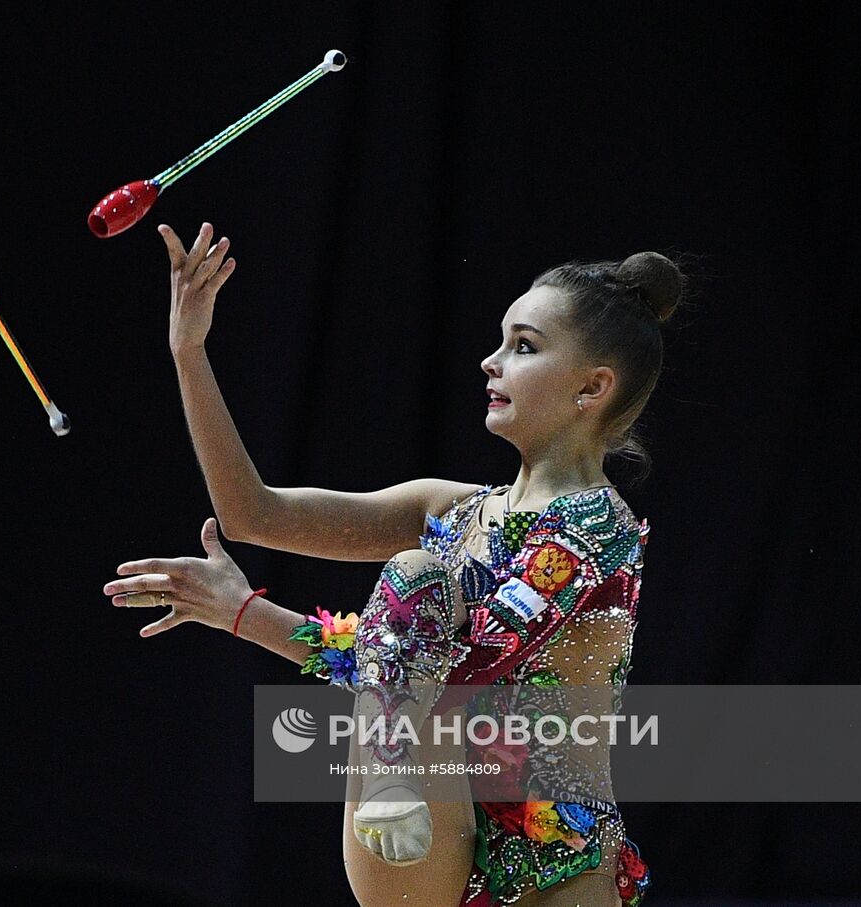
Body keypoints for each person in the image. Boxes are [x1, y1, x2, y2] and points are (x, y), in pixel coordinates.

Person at [104, 222, 680, 906]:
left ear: (592, 388)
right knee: (415, 583)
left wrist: (247, 615)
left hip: (556, 868)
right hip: (428, 833)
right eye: (499, 342)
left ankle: (392, 773)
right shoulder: (450, 509)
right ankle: (390, 780)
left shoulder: (596, 528)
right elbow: (251, 515)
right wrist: (189, 351)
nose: (490, 362)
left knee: (416, 586)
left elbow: (463, 669)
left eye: (522, 347)